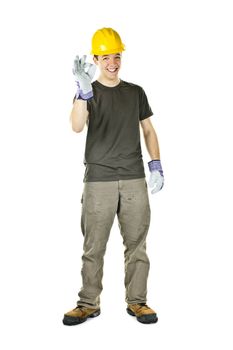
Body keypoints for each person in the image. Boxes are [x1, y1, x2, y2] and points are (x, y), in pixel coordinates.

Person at [63, 27, 164, 326]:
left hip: (133, 177)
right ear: (95, 58)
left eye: (116, 56)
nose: (112, 62)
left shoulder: (135, 92)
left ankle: (138, 303)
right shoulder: (88, 92)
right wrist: (83, 92)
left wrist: (155, 164)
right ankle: (87, 303)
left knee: (137, 246)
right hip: (99, 180)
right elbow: (77, 126)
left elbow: (148, 129)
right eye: (105, 56)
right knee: (93, 247)